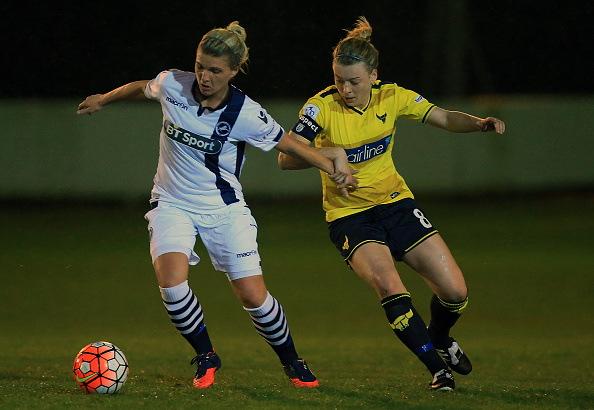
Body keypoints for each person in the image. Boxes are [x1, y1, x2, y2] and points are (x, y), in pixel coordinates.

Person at [77, 21, 357, 389]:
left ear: (234, 71)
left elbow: (287, 144)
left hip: (224, 209)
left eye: (214, 70)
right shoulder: (173, 83)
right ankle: (206, 355)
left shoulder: (245, 113)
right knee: (171, 283)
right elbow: (142, 88)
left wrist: (332, 166)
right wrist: (104, 98)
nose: (204, 77)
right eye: (200, 66)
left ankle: (292, 360)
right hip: (172, 202)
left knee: (254, 297)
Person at [278, 17, 505, 392]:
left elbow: (445, 117)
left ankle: (441, 339)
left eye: (354, 81)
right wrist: (327, 156)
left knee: (455, 293)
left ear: (373, 75)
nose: (345, 89)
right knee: (389, 285)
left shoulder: (393, 96)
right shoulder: (319, 108)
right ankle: (438, 369)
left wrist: (478, 123)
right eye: (339, 81)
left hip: (397, 203)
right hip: (350, 215)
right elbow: (286, 157)